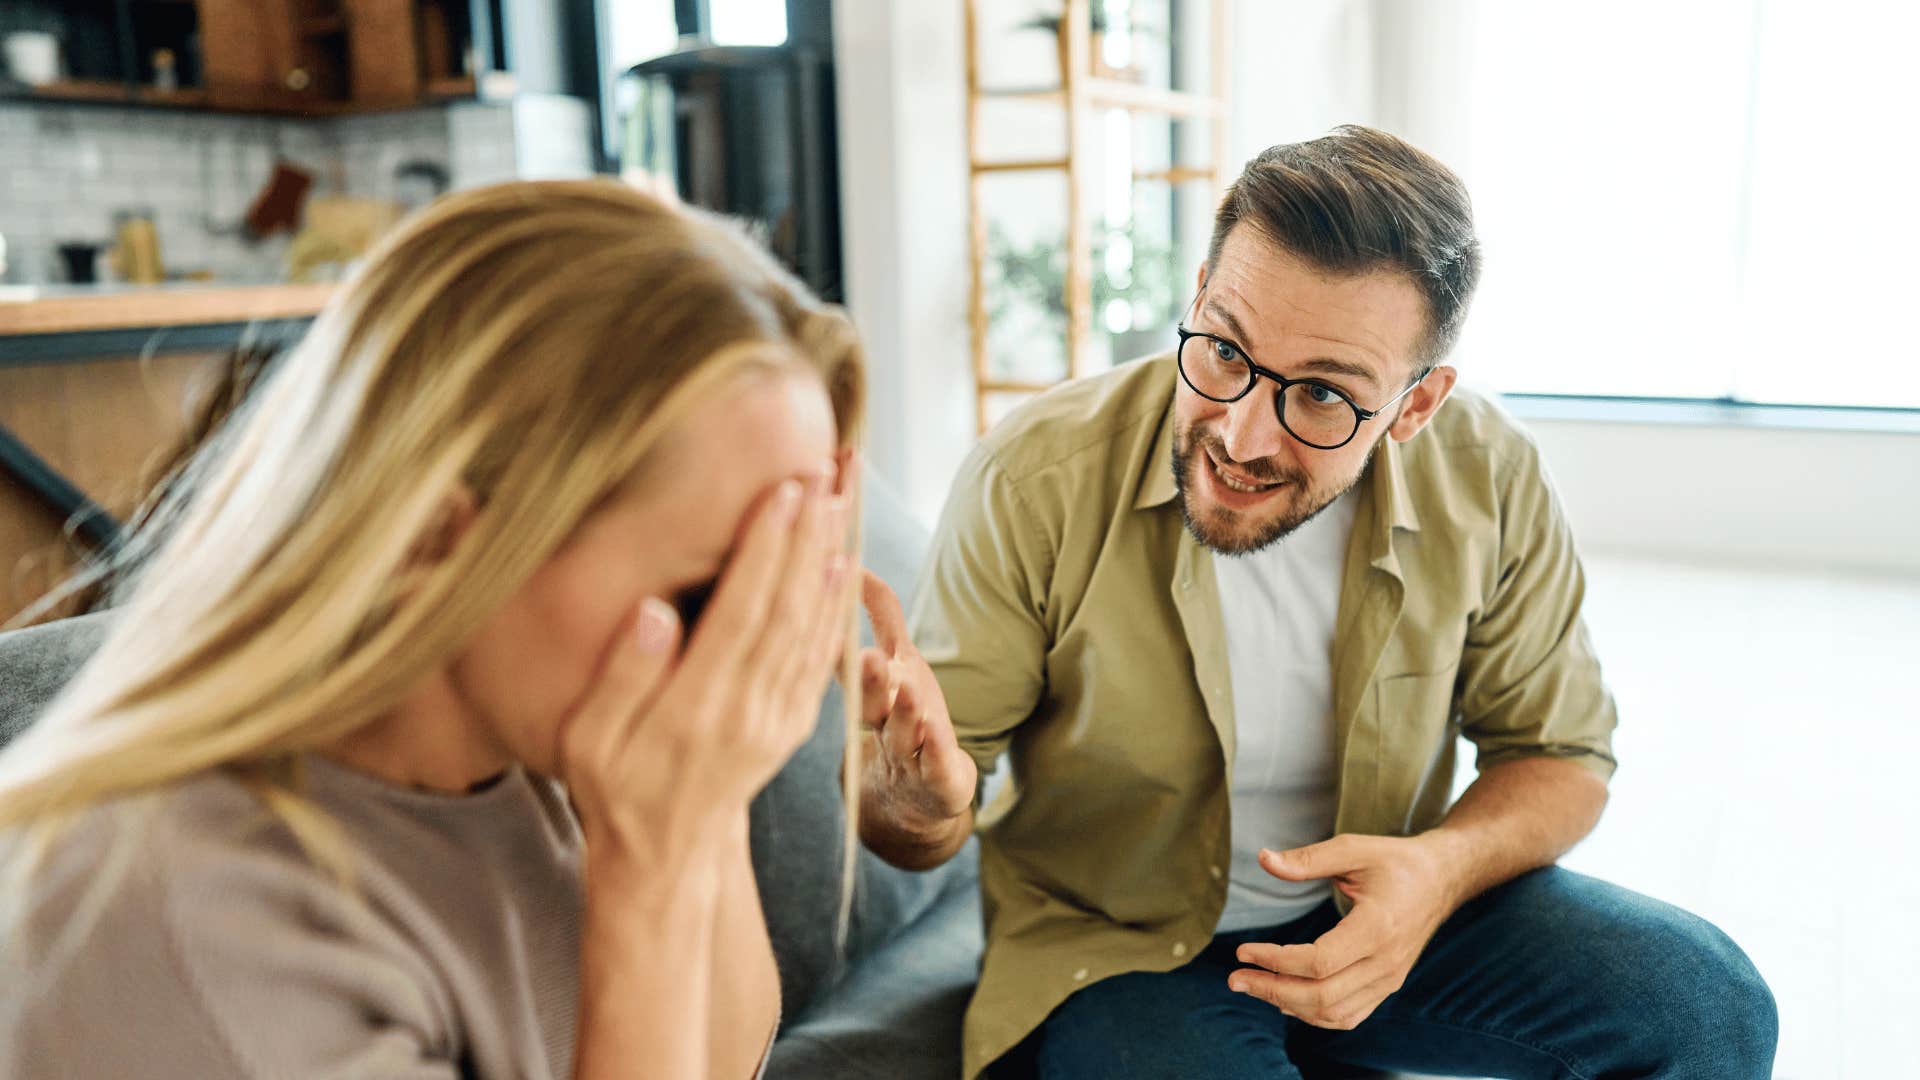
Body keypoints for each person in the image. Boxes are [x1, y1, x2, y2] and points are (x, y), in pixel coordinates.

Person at [851, 125, 1778, 1078]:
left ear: (1417, 406)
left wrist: (1436, 873)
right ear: (1199, 293)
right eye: (1222, 349)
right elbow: (917, 815)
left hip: (1388, 920)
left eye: (1325, 398)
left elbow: (1560, 752)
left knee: (1709, 1007)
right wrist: (917, 803)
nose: (1241, 434)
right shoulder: (1036, 476)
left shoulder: (1489, 473)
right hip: (1119, 951)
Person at [0, 179, 877, 1079]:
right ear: (436, 534)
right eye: (708, 596)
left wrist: (702, 813)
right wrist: (655, 870)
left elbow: (723, 1063)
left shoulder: (517, 769)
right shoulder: (189, 926)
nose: (746, 649)